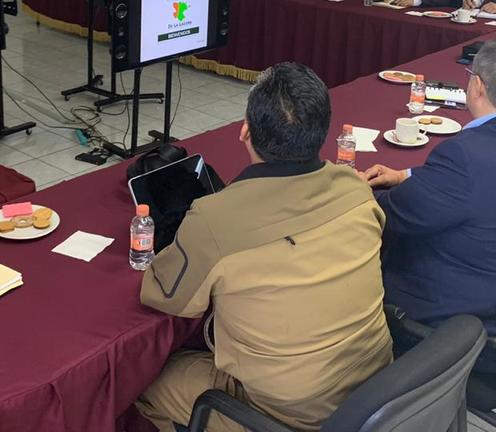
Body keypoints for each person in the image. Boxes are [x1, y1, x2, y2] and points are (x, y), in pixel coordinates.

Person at [137, 63, 393, 432]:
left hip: (284, 416)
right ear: (323, 133)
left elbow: (166, 297)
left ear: (245, 131)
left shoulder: (214, 218)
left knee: (143, 381)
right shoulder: (357, 189)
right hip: (373, 392)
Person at [361, 37, 496, 334]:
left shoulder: (466, 154)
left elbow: (395, 215)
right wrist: (408, 176)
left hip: (469, 319)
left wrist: (358, 190)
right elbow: (484, 186)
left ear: (477, 86)